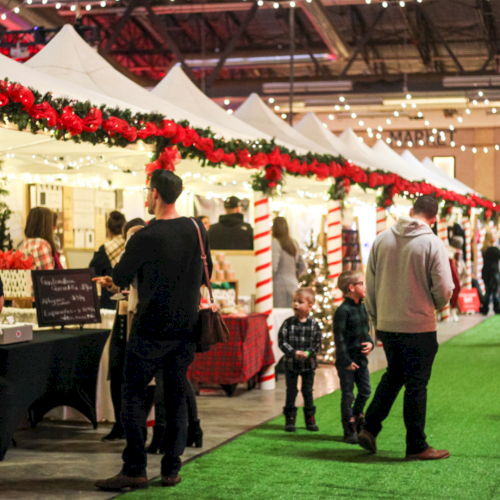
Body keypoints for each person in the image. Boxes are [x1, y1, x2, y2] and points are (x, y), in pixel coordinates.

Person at [95, 169, 212, 491]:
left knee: (132, 396)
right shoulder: (196, 228)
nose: (146, 197)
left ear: (156, 194)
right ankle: (171, 469)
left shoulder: (145, 236)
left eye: (148, 192)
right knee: (174, 398)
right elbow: (207, 272)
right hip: (185, 327)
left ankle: (135, 468)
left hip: (148, 328)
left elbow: (120, 276)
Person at [360, 195, 454, 461]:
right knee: (416, 385)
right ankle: (416, 445)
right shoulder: (433, 242)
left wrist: (376, 319)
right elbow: (444, 288)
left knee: (394, 375)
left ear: (411, 211)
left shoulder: (381, 238)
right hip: (419, 324)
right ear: (434, 218)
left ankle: (369, 427)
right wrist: (434, 304)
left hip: (388, 323)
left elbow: (371, 283)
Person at [101, 218, 147, 442]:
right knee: (115, 369)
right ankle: (119, 424)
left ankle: (134, 428)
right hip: (121, 317)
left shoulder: (149, 254)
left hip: (136, 319)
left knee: (134, 376)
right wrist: (111, 284)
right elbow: (121, 281)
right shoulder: (125, 255)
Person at [333, 270, 373, 444]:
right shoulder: (343, 311)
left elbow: (366, 332)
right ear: (351, 287)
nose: (365, 287)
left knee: (365, 391)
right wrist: (346, 361)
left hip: (361, 359)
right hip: (347, 361)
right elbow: (339, 339)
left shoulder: (363, 308)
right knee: (348, 394)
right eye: (361, 283)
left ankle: (357, 416)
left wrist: (370, 343)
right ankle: (349, 427)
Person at [278, 287, 322, 433]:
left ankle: (310, 418)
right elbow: (282, 341)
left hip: (308, 365)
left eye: (300, 302)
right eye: (294, 301)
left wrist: (309, 353)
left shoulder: (314, 325)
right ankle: (290, 418)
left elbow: (317, 344)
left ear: (310, 306)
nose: (296, 304)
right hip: (291, 364)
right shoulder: (288, 323)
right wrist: (293, 352)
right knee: (291, 391)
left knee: (307, 391)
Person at [89, 211, 126, 310]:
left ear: (108, 230)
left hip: (109, 302)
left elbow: (92, 271)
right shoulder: (130, 246)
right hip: (126, 300)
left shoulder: (105, 249)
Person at [272, 217, 306, 308]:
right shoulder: (294, 243)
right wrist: (295, 276)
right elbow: (302, 265)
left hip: (279, 287)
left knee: (280, 316)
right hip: (293, 284)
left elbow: (273, 267)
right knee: (291, 315)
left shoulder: (275, 243)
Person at [480, 231, 500, 315]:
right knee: (495, 291)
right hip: (494, 272)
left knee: (487, 291)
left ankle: (485, 308)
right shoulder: (495, 250)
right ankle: (497, 308)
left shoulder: (483, 249)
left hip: (485, 272)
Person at [449, 236, 464, 322]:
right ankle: (452, 310)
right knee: (456, 287)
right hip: (452, 271)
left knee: (456, 288)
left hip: (455, 271)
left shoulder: (456, 253)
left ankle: (453, 310)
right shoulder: (451, 253)